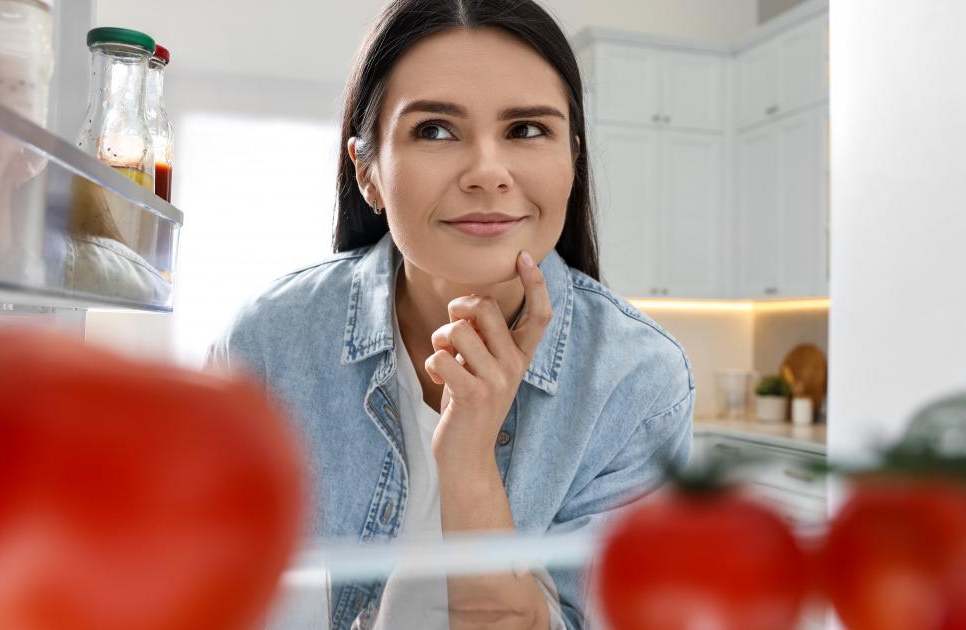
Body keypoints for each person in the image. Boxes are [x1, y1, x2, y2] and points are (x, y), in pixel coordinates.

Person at [207, 0, 694, 627]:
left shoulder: (638, 381)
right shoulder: (269, 343)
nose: (489, 173)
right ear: (368, 172)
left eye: (525, 130)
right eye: (435, 130)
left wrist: (469, 462)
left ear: (573, 159)